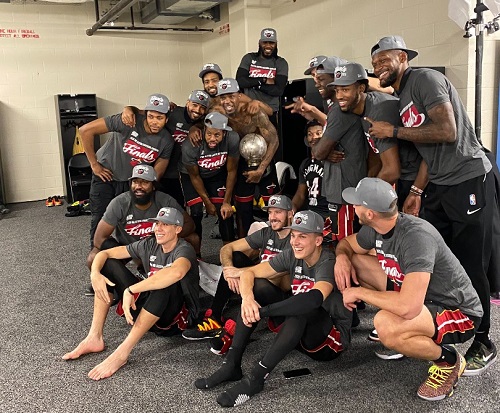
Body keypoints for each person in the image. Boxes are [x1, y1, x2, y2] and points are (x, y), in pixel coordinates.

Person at [368, 35, 496, 374]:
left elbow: (447, 130)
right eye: (374, 62)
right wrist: (418, 190)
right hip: (438, 185)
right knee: (437, 263)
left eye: (384, 59)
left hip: (467, 178)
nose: (378, 66)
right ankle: (430, 330)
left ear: (402, 57)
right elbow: (430, 150)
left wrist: (393, 131)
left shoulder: (425, 79)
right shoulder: (402, 95)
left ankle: (483, 340)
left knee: (471, 263)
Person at [335, 177, 483, 400]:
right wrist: (342, 259)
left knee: (385, 324)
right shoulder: (377, 227)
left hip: (457, 311)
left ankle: (448, 361)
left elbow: (409, 307)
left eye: (357, 203)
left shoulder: (416, 237)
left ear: (370, 214)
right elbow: (346, 244)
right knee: (354, 261)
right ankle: (410, 336)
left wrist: (358, 292)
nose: (353, 206)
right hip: (417, 294)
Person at [196, 210, 352, 407]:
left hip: (328, 341)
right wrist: (248, 300)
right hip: (298, 330)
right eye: (293, 235)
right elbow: (249, 273)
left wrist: (262, 312)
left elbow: (313, 300)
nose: (295, 242)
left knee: (301, 307)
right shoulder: (293, 254)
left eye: (303, 237)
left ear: (318, 240)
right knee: (259, 286)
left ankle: (256, 378)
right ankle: (232, 364)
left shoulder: (327, 261)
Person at [62, 207, 200, 380]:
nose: (158, 228)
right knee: (108, 264)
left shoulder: (184, 249)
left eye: (165, 224)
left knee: (165, 282)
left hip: (175, 319)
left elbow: (176, 273)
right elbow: (105, 253)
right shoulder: (149, 244)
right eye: (157, 223)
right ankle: (94, 337)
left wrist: (131, 290)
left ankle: (122, 353)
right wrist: (95, 274)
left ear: (178, 229)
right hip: (150, 309)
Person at [182, 194, 294, 356]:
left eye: (278, 212)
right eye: (270, 212)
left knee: (259, 281)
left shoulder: (297, 239)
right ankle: (214, 317)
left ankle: (233, 331)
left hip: (281, 299)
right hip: (255, 285)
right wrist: (229, 271)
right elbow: (226, 249)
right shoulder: (267, 233)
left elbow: (283, 280)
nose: (273, 217)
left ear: (290, 213)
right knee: (235, 258)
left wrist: (244, 274)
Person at [80, 93, 174, 246]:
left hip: (132, 182)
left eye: (159, 118)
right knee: (99, 218)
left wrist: (143, 188)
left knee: (128, 222)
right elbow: (85, 131)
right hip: (105, 176)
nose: (154, 122)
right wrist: (94, 165)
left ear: (166, 119)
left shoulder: (166, 140)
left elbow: (157, 173)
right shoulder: (128, 121)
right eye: (151, 116)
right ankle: (96, 255)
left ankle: (130, 254)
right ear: (145, 114)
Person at [86, 164, 198, 270]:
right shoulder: (119, 203)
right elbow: (99, 239)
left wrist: (161, 240)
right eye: (135, 182)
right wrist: (121, 251)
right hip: (129, 248)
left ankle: (194, 273)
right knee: (94, 257)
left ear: (153, 186)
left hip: (159, 245)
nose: (138, 187)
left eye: (145, 182)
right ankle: (123, 280)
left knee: (193, 238)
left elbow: (189, 224)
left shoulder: (165, 200)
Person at [122, 90, 210, 207]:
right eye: (194, 105)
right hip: (158, 166)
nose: (197, 110)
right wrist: (128, 108)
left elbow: (208, 124)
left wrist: (196, 127)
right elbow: (143, 113)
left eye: (202, 107)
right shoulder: (172, 112)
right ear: (187, 103)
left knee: (178, 207)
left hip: (181, 173)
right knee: (154, 205)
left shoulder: (204, 122)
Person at [216, 78, 280, 237]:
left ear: (239, 95)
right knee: (243, 209)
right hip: (241, 163)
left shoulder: (254, 112)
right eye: (223, 97)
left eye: (231, 96)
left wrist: (261, 169)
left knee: (276, 206)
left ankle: (280, 242)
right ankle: (245, 245)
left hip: (263, 160)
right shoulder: (219, 114)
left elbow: (274, 140)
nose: (227, 101)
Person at [329, 62, 401, 184]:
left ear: (361, 88)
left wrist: (369, 193)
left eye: (345, 89)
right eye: (337, 90)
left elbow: (392, 171)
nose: (339, 96)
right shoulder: (362, 107)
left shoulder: (379, 110)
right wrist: (368, 181)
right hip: (404, 175)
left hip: (418, 176)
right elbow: (376, 152)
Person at [181, 111, 239, 245]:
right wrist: (207, 202)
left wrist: (227, 202)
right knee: (196, 211)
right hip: (192, 176)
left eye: (217, 135)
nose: (212, 139)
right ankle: (195, 252)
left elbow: (232, 171)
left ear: (224, 133)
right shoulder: (190, 146)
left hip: (215, 174)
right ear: (204, 131)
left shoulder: (232, 139)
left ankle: (228, 250)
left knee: (225, 211)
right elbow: (195, 176)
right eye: (209, 134)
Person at [236, 28, 289, 126]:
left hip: (270, 111)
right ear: (260, 43)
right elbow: (240, 82)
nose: (268, 46)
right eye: (265, 42)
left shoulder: (281, 63)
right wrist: (263, 80)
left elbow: (278, 90)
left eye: (271, 43)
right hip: (248, 109)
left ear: (276, 44)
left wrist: (254, 84)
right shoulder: (249, 58)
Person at [199, 63, 272, 116]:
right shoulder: (201, 98)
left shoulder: (233, 93)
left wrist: (257, 103)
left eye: (214, 80)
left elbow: (269, 112)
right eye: (207, 82)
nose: (211, 85)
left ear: (221, 81)